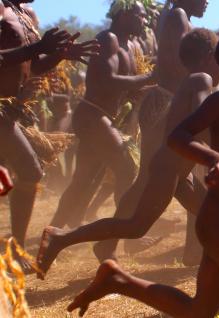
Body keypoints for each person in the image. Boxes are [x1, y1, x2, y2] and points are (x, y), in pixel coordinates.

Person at [36, 27, 219, 276]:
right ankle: (61, 237)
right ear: (209, 58)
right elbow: (202, 120)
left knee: (211, 214)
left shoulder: (194, 82)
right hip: (168, 169)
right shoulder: (201, 79)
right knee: (136, 227)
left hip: (174, 169)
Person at [0, 0, 99, 271]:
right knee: (30, 170)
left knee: (26, 171)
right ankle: (15, 251)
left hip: (11, 110)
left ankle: (15, 250)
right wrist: (39, 46)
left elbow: (34, 66)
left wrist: (59, 55)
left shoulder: (25, 14)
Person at [47, 1, 158, 231]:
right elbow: (107, 80)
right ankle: (123, 231)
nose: (144, 20)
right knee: (126, 167)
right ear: (124, 14)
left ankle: (54, 230)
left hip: (102, 117)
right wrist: (146, 79)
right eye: (140, 15)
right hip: (92, 116)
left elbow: (129, 88)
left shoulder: (130, 46)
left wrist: (152, 87)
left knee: (83, 180)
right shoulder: (108, 39)